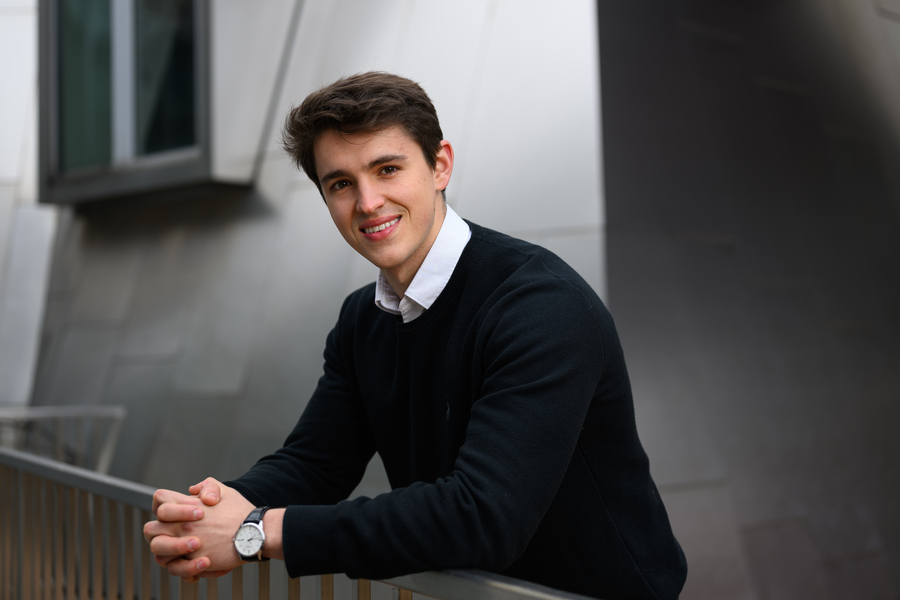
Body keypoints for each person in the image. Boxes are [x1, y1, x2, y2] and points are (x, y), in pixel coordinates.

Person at [143, 71, 687, 600]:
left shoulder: (542, 307)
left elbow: (482, 516)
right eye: (340, 183)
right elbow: (315, 462)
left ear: (440, 165)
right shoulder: (363, 319)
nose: (368, 202)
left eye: (386, 169)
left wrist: (256, 531)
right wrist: (213, 512)